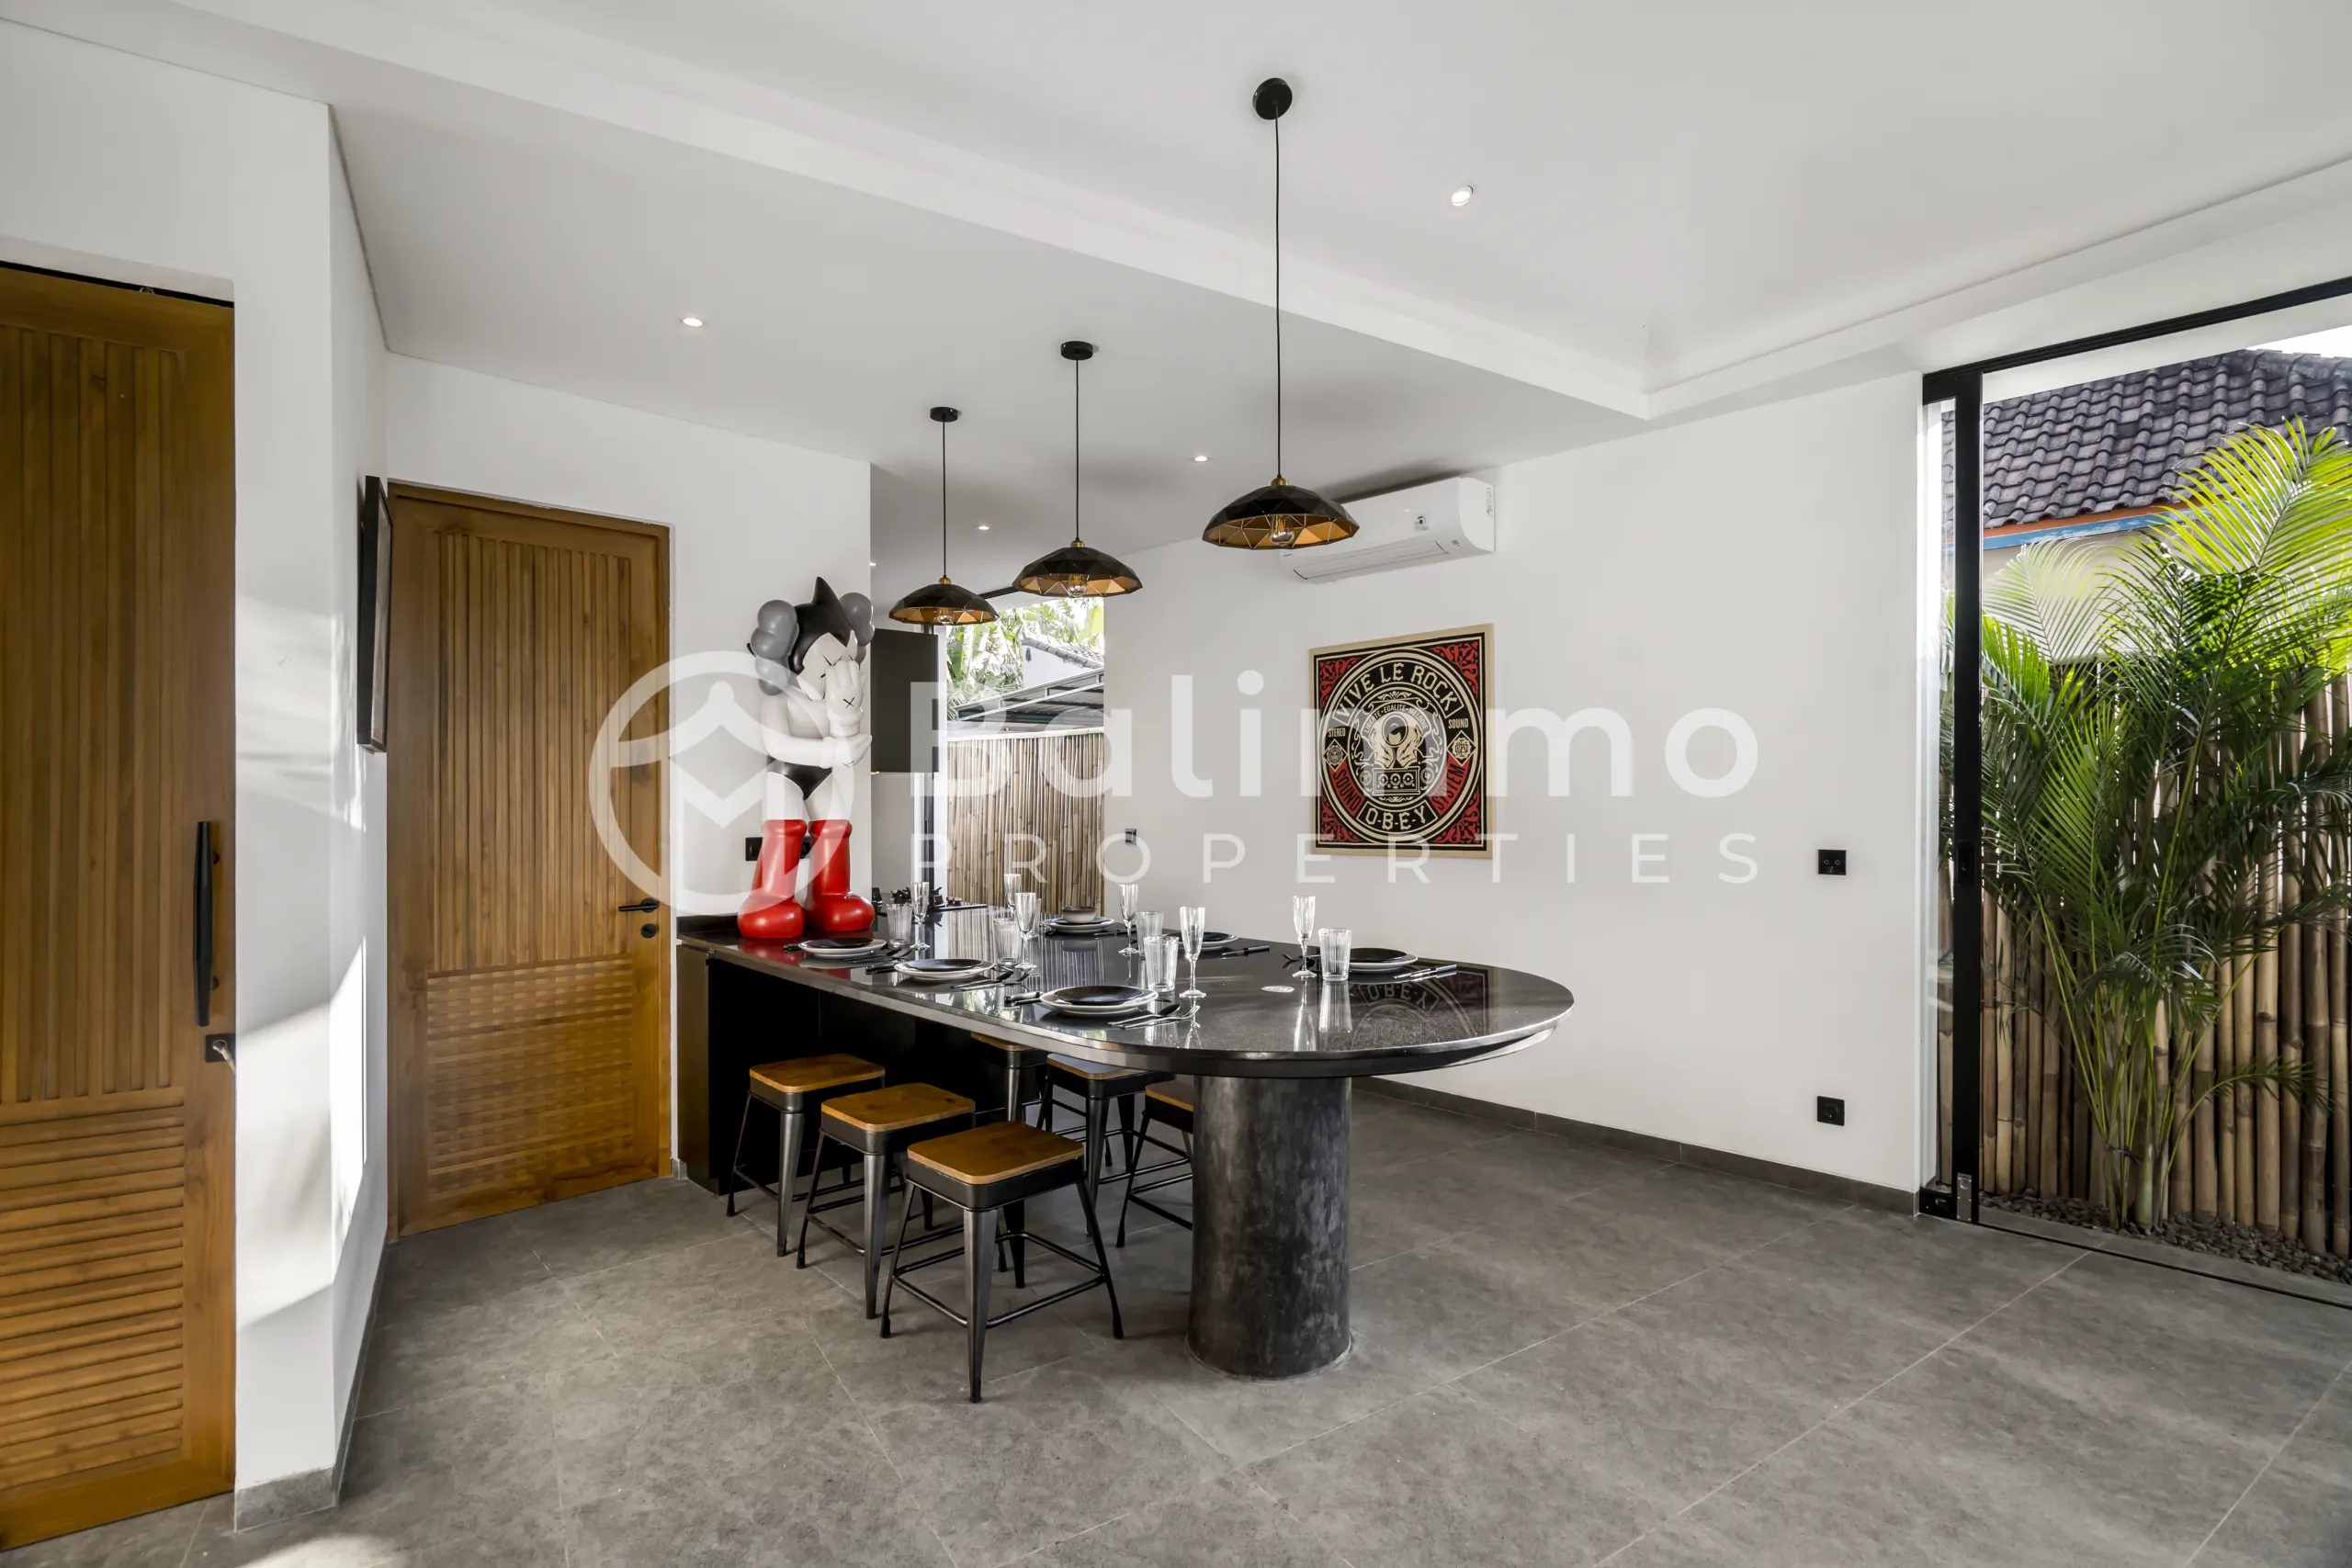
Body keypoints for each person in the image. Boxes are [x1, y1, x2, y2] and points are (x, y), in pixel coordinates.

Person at [738, 579, 875, 940]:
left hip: (822, 773)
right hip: (784, 773)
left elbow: (843, 736)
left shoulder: (829, 698)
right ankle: (771, 896)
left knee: (835, 828)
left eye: (848, 662)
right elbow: (777, 744)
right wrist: (833, 752)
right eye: (830, 663)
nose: (841, 673)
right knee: (784, 831)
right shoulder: (779, 698)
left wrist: (846, 715)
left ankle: (830, 895)